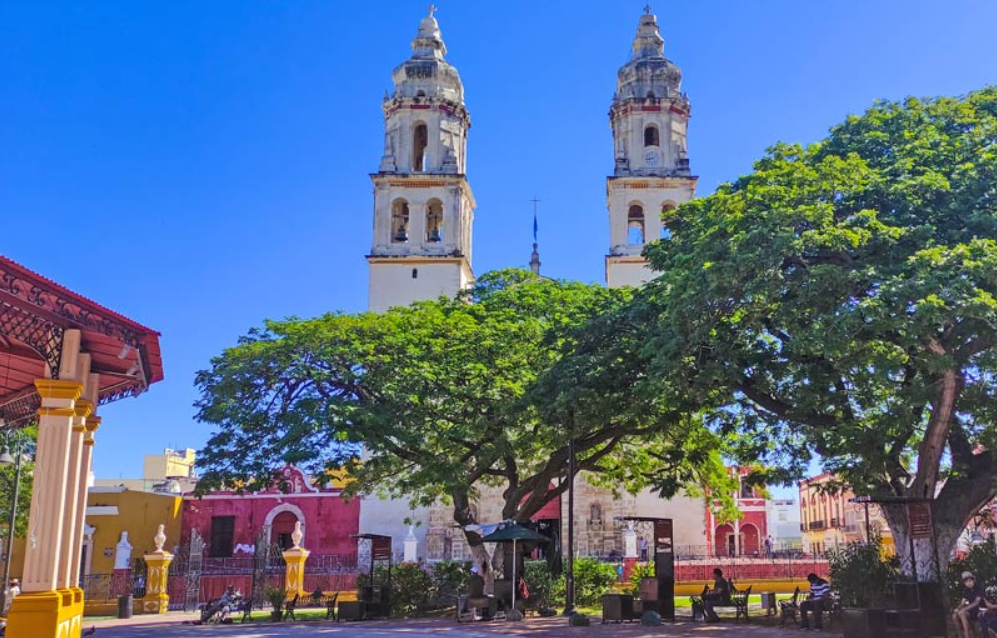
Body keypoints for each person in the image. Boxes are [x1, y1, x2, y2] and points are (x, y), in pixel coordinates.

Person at [952, 571, 985, 638]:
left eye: (970, 581)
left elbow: (977, 602)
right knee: (954, 616)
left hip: (979, 609)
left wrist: (964, 609)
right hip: (971, 610)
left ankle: (967, 636)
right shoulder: (966, 590)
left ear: (973, 580)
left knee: (962, 613)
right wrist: (958, 608)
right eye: (966, 582)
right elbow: (962, 603)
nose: (968, 583)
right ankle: (960, 635)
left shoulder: (979, 588)